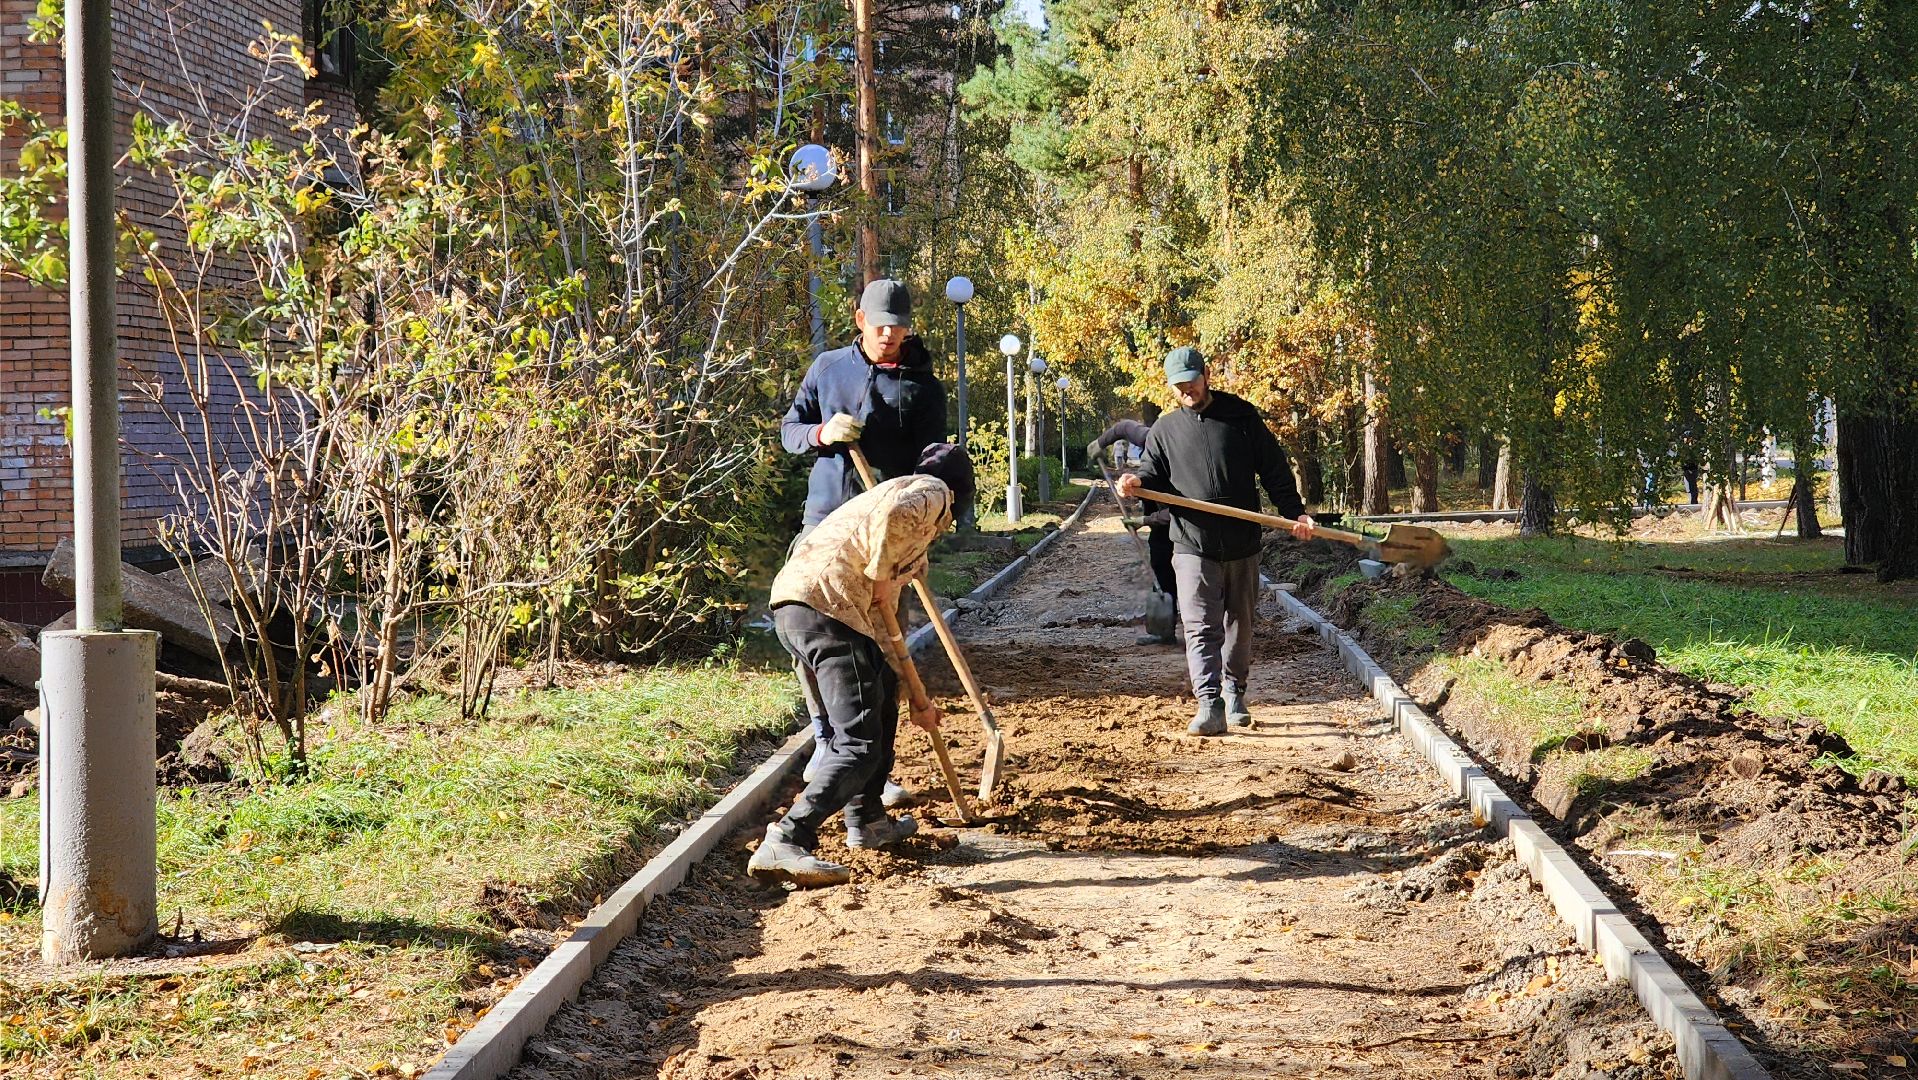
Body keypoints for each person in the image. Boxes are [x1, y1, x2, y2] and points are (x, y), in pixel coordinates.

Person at [749, 443, 975, 887]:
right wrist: (876, 574)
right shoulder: (929, 492)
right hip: (825, 608)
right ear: (961, 494)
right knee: (856, 742)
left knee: (883, 702)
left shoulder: (894, 506)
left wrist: (915, 695)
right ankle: (787, 839)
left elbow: (888, 630)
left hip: (815, 607)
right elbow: (889, 542)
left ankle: (868, 820)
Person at [780, 279, 948, 807]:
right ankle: (829, 743)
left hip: (882, 536)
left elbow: (932, 462)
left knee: (879, 648)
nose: (889, 334)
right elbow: (790, 430)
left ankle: (873, 770)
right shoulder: (829, 368)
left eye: (898, 327)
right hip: (825, 524)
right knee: (813, 635)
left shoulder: (923, 388)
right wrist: (822, 434)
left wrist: (917, 535)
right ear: (859, 320)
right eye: (880, 326)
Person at [1118, 347, 1315, 736]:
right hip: (1192, 543)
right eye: (1179, 385)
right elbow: (1153, 477)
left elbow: (1274, 470)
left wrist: (1295, 513)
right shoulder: (1165, 430)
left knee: (1240, 625)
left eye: (1192, 380)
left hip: (1242, 543)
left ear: (1206, 374)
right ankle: (1210, 703)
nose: (1187, 389)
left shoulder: (1241, 417)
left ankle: (1235, 691)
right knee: (1199, 626)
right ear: (1171, 387)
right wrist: (1137, 484)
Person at [1089, 407, 1177, 643]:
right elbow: (1124, 427)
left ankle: (1204, 631)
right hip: (1161, 524)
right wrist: (1100, 442)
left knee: (1184, 574)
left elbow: (1185, 510)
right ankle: (1163, 631)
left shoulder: (1184, 460)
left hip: (1185, 525)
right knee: (1160, 567)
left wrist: (1145, 520)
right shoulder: (1151, 438)